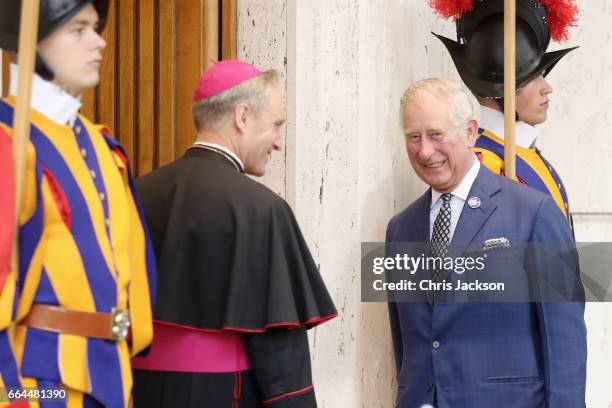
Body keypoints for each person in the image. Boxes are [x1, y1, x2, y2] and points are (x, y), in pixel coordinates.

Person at [132, 60, 337, 407]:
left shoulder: (135, 193)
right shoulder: (262, 209)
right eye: (275, 126)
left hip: (137, 390)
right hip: (225, 394)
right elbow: (280, 351)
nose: (278, 143)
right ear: (242, 117)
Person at [386, 78, 586, 407]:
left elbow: (565, 341)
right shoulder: (400, 229)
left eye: (436, 135)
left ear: (470, 132)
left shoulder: (533, 213)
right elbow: (406, 346)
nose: (424, 150)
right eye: (413, 137)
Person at [0, 1, 156, 407]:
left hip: (111, 377)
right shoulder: (8, 141)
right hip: (37, 387)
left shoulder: (103, 145)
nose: (99, 41)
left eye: (96, 27)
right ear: (31, 41)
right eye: (78, 29)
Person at [430, 0, 579, 222]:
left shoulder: (524, 154)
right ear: (499, 88)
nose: (547, 88)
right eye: (532, 77)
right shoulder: (483, 165)